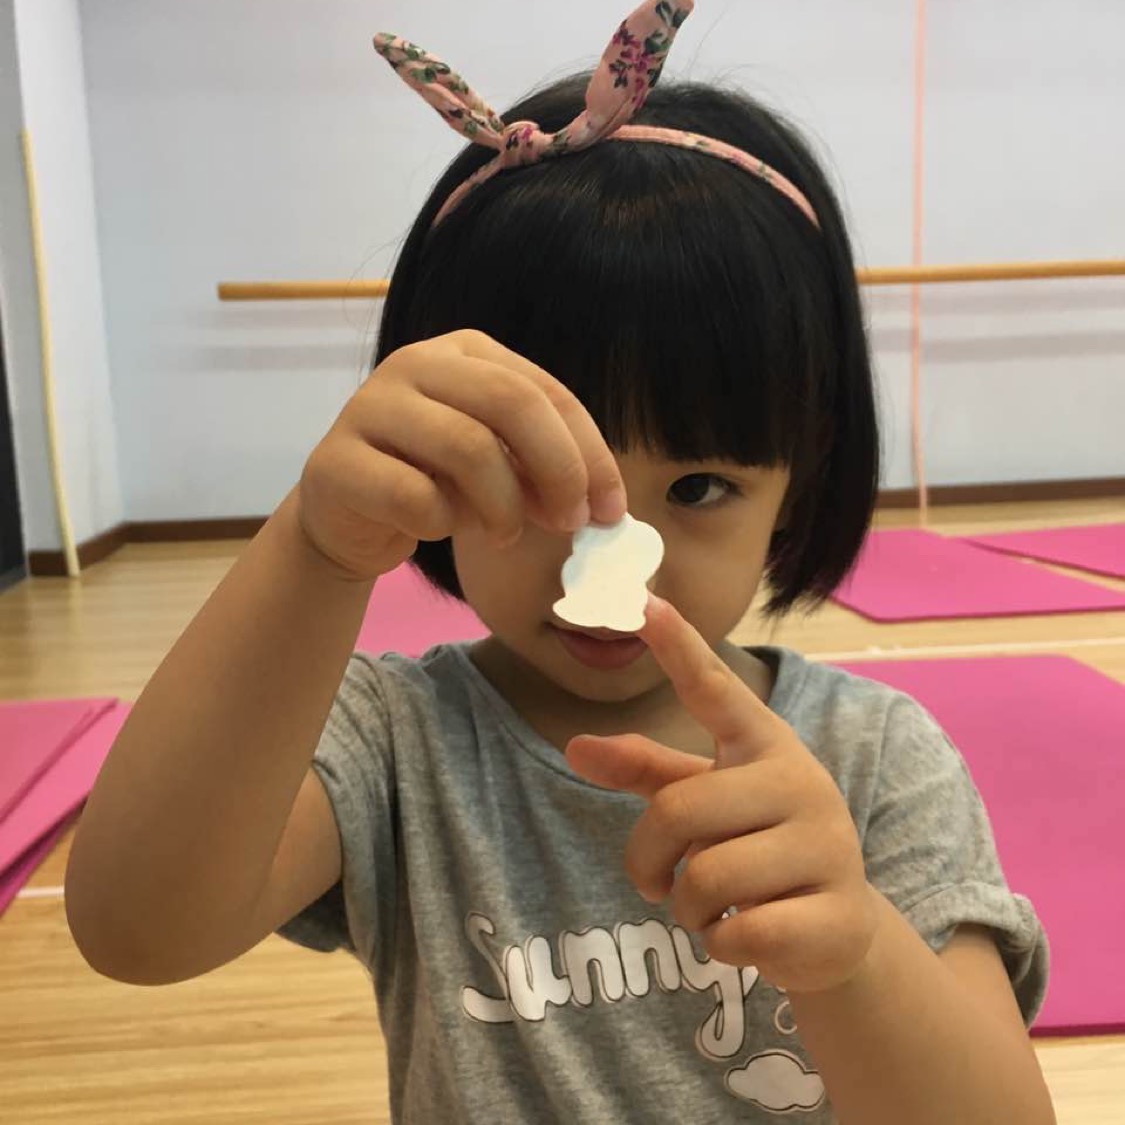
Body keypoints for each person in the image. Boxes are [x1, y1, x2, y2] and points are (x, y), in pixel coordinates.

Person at [64, 3, 1054, 1122]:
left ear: (800, 475)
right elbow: (137, 929)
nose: (609, 560)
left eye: (699, 488)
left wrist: (856, 949)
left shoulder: (873, 762)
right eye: (537, 476)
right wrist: (313, 551)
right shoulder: (395, 743)